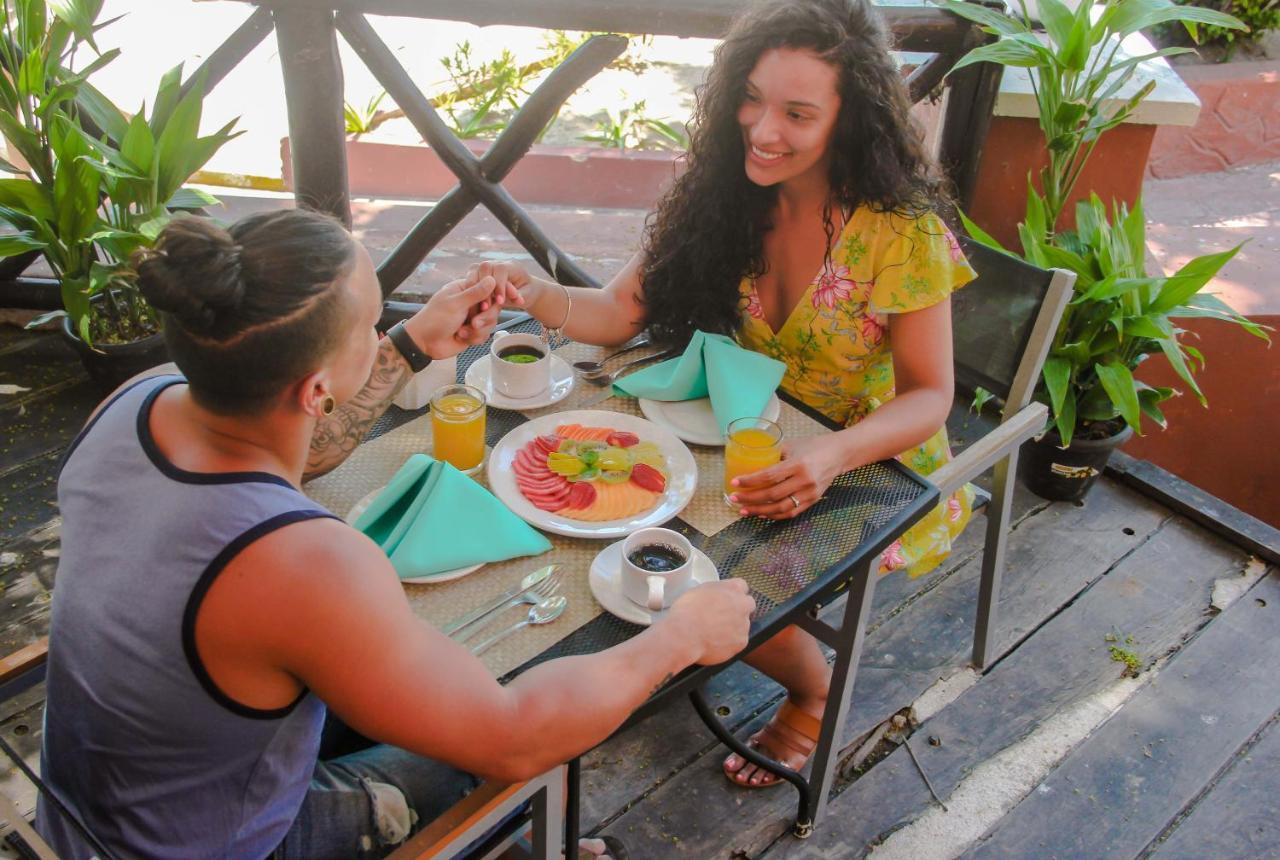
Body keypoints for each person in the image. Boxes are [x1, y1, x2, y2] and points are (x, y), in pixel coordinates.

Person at [36, 207, 756, 859]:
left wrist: (410, 346)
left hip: (88, 801)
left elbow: (298, 446)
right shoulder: (303, 563)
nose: (384, 332)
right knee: (515, 707)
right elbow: (512, 734)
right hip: (216, 846)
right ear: (316, 389)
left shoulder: (142, 398)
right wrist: (680, 638)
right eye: (372, 325)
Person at [467, 0, 975, 788]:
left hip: (868, 467)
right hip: (736, 436)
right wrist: (529, 293)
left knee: (699, 572)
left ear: (852, 119)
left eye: (797, 113)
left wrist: (830, 457)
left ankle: (813, 688)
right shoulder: (723, 191)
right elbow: (613, 315)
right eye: (752, 97)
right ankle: (679, 643)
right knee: (609, 514)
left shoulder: (900, 233)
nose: (762, 129)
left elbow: (929, 398)